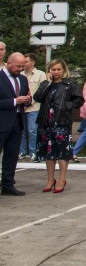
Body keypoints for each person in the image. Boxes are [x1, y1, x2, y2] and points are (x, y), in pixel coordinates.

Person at [32, 58, 83, 194]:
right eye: (53, 69)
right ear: (49, 70)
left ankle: (61, 179)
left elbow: (79, 99)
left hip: (61, 122)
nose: (56, 72)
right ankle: (50, 180)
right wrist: (47, 83)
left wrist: (68, 105)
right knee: (49, 152)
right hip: (46, 122)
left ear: (63, 70)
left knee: (62, 152)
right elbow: (37, 97)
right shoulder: (45, 83)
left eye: (58, 69)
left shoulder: (69, 84)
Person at [1, 54, 31, 194]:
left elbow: (25, 97)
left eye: (22, 67)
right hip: (2, 122)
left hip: (17, 121)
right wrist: (14, 101)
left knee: (12, 155)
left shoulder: (23, 79)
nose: (20, 69)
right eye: (18, 66)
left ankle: (8, 184)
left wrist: (27, 100)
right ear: (9, 63)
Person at [19, 53, 46, 161]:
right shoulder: (20, 74)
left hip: (34, 108)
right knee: (21, 130)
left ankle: (33, 152)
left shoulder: (40, 74)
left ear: (33, 62)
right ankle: (21, 152)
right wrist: (22, 104)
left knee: (32, 130)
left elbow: (41, 91)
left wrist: (29, 103)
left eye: (26, 61)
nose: (24, 64)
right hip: (21, 107)